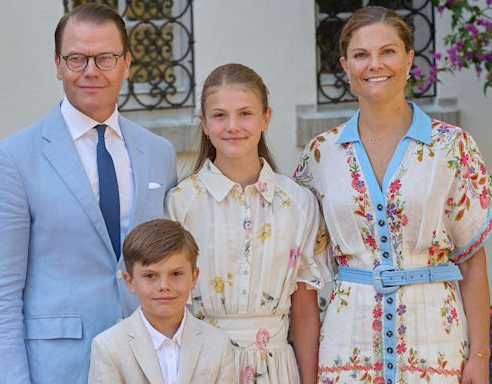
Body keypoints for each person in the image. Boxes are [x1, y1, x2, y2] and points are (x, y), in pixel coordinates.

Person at [0, 4, 176, 383]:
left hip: (147, 363)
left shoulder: (159, 153)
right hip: (57, 368)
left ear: (126, 63)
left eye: (105, 58)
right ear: (57, 65)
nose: (91, 71)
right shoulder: (12, 159)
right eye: (76, 58)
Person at [294, 6, 491, 384]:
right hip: (346, 348)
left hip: (437, 344)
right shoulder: (321, 154)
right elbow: (308, 274)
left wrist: (479, 357)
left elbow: (471, 260)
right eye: (361, 55)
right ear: (345, 66)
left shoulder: (452, 147)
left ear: (409, 59)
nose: (375, 64)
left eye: (388, 51)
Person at [166, 63, 334, 384]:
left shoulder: (298, 203)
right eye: (219, 115)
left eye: (245, 113)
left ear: (265, 118)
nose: (233, 126)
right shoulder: (181, 202)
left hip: (277, 367)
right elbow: (171, 304)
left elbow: (304, 306)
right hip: (201, 366)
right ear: (204, 124)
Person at [88, 219, 237, 383]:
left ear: (194, 277)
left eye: (176, 274)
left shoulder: (218, 344)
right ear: (130, 281)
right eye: (150, 276)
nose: (164, 286)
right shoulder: (108, 347)